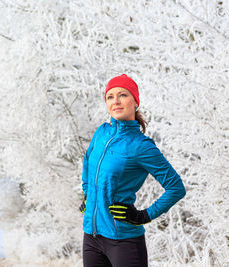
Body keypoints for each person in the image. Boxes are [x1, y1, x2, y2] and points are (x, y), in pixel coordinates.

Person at [79, 74, 186, 267]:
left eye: (122, 95)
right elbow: (87, 164)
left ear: (135, 101)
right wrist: (87, 194)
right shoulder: (101, 133)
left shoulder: (141, 146)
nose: (116, 101)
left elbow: (176, 188)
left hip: (123, 242)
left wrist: (144, 216)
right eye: (110, 97)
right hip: (91, 238)